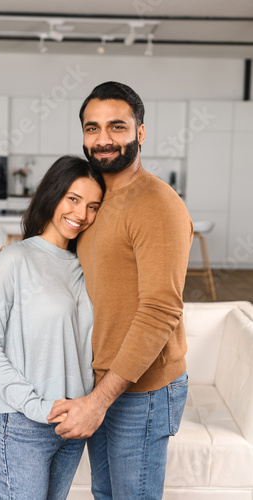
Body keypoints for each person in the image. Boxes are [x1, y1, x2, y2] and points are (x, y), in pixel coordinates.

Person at [47, 82, 194, 499]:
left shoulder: (156, 204)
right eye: (92, 128)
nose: (104, 139)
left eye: (117, 126)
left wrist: (99, 401)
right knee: (106, 494)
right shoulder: (95, 201)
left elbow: (161, 311)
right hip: (103, 381)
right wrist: (17, 257)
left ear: (140, 133)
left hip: (141, 390)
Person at [0, 155, 105, 500]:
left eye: (93, 206)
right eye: (73, 199)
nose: (81, 214)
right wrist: (35, 406)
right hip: (25, 424)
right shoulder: (15, 259)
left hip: (74, 424)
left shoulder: (85, 266)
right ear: (53, 194)